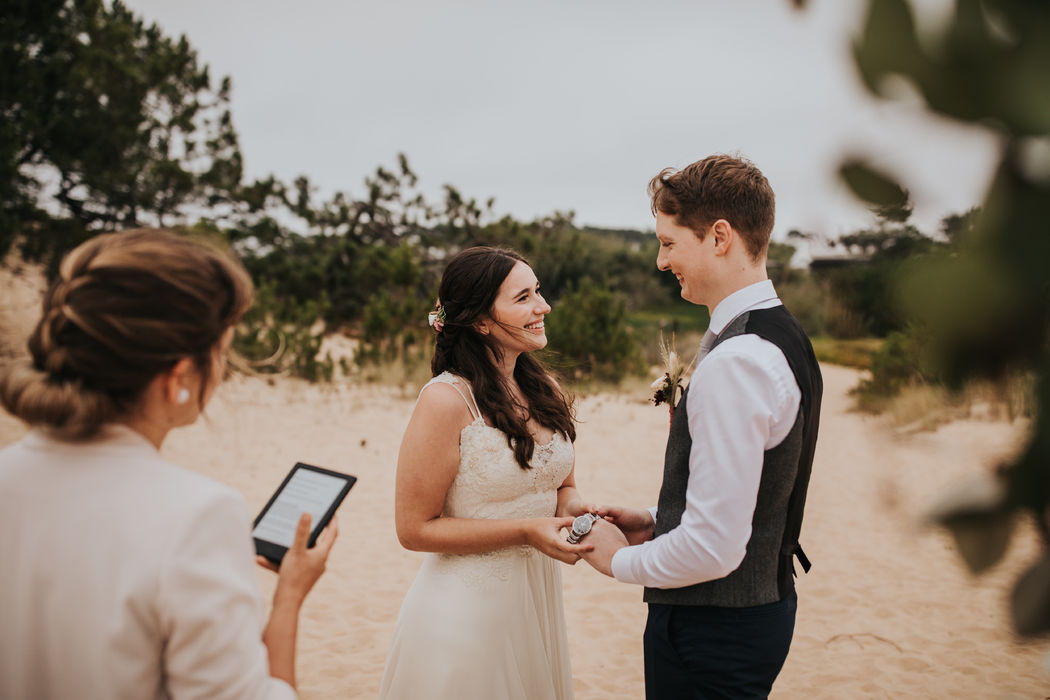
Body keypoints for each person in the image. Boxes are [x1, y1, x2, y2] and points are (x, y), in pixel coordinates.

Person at [0, 229, 338, 699]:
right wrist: (289, 598)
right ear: (179, 376)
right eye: (221, 351)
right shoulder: (198, 516)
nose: (222, 371)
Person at [581, 155, 823, 699]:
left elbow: (714, 547)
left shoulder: (740, 360)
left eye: (669, 243)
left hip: (713, 634)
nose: (661, 262)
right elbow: (748, 491)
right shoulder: (781, 335)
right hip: (758, 609)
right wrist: (655, 517)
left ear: (719, 237)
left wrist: (616, 560)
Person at [378, 246, 595, 700]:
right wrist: (528, 531)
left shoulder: (543, 388)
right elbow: (413, 529)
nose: (543, 306)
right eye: (523, 298)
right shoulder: (446, 400)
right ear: (480, 320)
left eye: (537, 291)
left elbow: (562, 483)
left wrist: (576, 509)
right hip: (464, 613)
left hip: (534, 605)